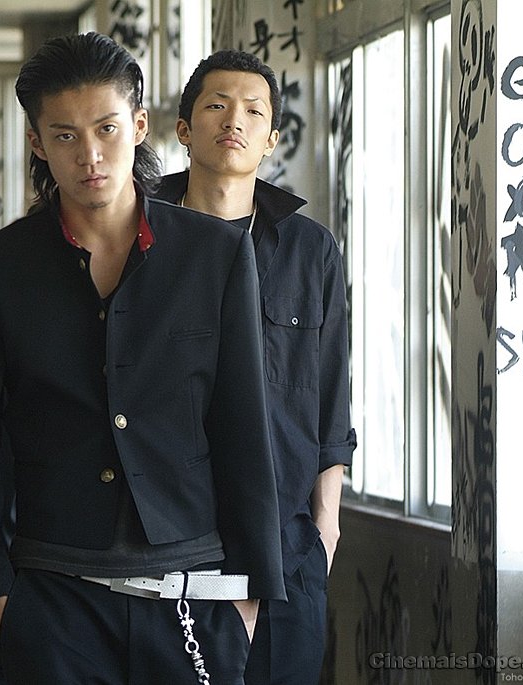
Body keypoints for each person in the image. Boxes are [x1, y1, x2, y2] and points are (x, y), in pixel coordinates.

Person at [0, 32, 285, 685]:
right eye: (65, 136)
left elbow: (245, 430)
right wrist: (0, 606)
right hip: (52, 600)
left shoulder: (215, 255)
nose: (91, 155)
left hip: (194, 591)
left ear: (140, 125)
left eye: (106, 128)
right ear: (37, 143)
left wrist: (247, 606)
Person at [154, 50, 357, 685]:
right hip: (164, 541)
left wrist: (325, 529)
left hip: (287, 542)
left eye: (253, 111)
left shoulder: (310, 250)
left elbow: (331, 397)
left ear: (271, 139)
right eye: (216, 106)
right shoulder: (136, 236)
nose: (233, 121)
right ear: (183, 129)